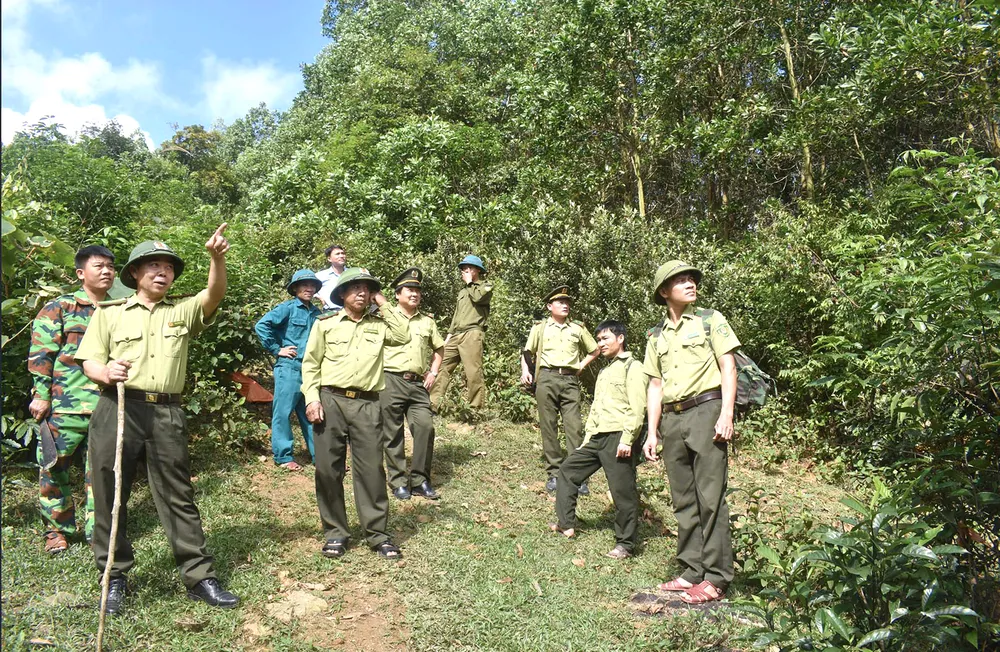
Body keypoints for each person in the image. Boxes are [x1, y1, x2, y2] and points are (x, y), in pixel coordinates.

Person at [75, 227, 239, 615]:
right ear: (135, 273)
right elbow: (89, 359)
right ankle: (114, 577)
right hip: (117, 408)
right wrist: (105, 371)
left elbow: (214, 294)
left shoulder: (180, 311)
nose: (163, 273)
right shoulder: (110, 313)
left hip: (167, 412)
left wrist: (217, 258)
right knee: (110, 493)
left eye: (168, 267)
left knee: (178, 494)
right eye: (154, 266)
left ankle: (200, 577)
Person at [641, 261, 740, 605]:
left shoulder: (711, 320)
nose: (689, 284)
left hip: (706, 411)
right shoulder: (655, 336)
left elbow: (729, 366)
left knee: (711, 498)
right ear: (664, 292)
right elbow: (655, 384)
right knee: (684, 499)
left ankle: (716, 577)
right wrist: (651, 432)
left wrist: (727, 413)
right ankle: (691, 571)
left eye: (691, 279)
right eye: (679, 280)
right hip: (672, 419)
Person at [301, 267, 409, 560]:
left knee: (372, 470)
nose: (361, 292)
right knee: (327, 470)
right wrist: (312, 399)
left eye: (367, 288)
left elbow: (404, 333)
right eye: (355, 288)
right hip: (330, 400)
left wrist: (383, 302)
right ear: (342, 294)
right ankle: (335, 533)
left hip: (368, 404)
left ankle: (378, 534)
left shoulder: (380, 324)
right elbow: (311, 364)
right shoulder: (326, 324)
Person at [28, 245, 116, 554]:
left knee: (102, 474)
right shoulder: (61, 307)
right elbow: (41, 353)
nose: (106, 271)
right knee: (53, 469)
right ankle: (57, 531)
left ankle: (99, 532)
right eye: (98, 266)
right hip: (65, 406)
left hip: (107, 407)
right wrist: (40, 395)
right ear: (81, 273)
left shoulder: (119, 309)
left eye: (110, 266)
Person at [551, 320, 646, 559]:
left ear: (620, 338)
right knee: (568, 471)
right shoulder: (605, 370)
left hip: (618, 437)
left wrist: (627, 439)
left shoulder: (633, 367)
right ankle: (566, 523)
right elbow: (596, 408)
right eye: (599, 340)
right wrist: (587, 439)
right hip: (597, 437)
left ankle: (625, 544)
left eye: (605, 339)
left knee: (622, 492)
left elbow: (637, 408)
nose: (600, 344)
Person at [520, 286, 599, 493]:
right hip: (546, 377)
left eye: (567, 302)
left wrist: (580, 366)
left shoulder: (577, 328)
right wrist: (525, 371)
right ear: (549, 306)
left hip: (570, 380)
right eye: (560, 302)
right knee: (549, 426)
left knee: (575, 427)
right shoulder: (540, 327)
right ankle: (554, 473)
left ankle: (578, 476)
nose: (565, 305)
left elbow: (595, 349)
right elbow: (527, 352)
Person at [381, 268, 445, 501]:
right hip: (391, 380)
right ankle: (398, 481)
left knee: (425, 428)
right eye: (410, 289)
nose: (415, 294)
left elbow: (439, 348)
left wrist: (433, 371)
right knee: (393, 433)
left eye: (418, 290)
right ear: (397, 294)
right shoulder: (386, 317)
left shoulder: (427, 321)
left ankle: (419, 480)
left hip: (418, 384)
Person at [254, 269, 323, 471]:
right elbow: (262, 325)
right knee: (283, 412)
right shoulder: (288, 308)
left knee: (311, 412)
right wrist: (277, 349)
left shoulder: (318, 314)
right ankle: (284, 457)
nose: (309, 289)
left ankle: (319, 457)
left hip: (311, 371)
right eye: (304, 285)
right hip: (289, 368)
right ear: (295, 289)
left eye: (312, 286)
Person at [428, 255, 492, 413]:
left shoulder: (486, 286)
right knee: (442, 365)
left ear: (478, 270)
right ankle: (432, 405)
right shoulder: (462, 292)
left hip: (472, 333)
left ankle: (474, 410)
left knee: (473, 372)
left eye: (469, 268)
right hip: (456, 334)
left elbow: (478, 298)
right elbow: (457, 315)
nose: (465, 271)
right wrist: (449, 335)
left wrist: (470, 282)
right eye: (464, 268)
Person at [315, 244, 347, 310]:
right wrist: (318, 297)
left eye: (343, 253)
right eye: (337, 254)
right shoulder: (321, 275)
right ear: (329, 259)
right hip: (330, 312)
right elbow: (308, 289)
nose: (341, 256)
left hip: (351, 312)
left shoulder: (351, 273)